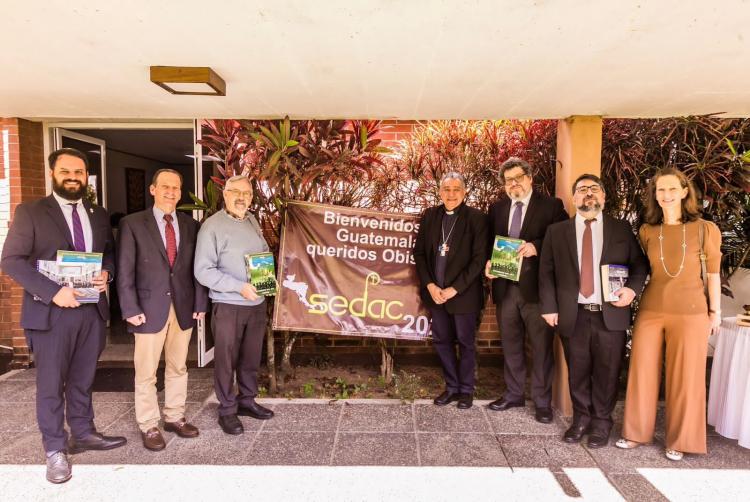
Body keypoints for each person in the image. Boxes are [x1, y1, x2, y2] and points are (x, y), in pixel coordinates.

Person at [0, 148, 126, 483]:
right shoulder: (31, 212)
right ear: (53, 173)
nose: (73, 177)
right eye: (66, 171)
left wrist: (107, 275)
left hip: (90, 312)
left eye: (80, 172)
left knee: (83, 380)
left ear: (87, 176)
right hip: (51, 314)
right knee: (51, 384)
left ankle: (83, 433)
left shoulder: (98, 214)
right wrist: (54, 291)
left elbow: (108, 254)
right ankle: (55, 449)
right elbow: (11, 260)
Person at [616, 168, 722, 461]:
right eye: (661, 190)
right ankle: (636, 432)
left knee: (686, 377)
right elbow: (643, 270)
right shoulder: (648, 231)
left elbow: (713, 275)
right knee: (642, 372)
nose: (666, 195)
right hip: (651, 310)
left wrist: (715, 312)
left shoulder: (705, 229)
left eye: (673, 189)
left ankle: (680, 439)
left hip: (691, 313)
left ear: (685, 191)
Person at [539, 173, 648, 448]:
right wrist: (550, 307)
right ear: (574, 198)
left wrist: (632, 290)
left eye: (595, 189)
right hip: (572, 313)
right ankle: (581, 419)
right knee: (577, 370)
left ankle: (601, 422)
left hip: (609, 314)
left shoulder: (621, 229)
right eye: (582, 189)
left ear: (604, 196)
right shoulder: (557, 231)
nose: (589, 193)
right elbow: (546, 272)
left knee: (607, 371)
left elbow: (640, 265)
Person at [117, 169, 208, 451]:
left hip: (183, 307)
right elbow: (124, 270)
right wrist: (129, 307)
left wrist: (200, 303)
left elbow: (196, 268)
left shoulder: (191, 225)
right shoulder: (132, 223)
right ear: (153, 190)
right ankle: (149, 424)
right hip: (146, 308)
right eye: (165, 186)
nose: (171, 192)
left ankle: (175, 417)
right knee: (146, 371)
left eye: (176, 188)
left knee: (178, 366)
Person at [485, 157, 568, 423]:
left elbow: (564, 239)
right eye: (509, 180)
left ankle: (542, 402)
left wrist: (537, 246)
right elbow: (490, 242)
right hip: (505, 288)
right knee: (510, 345)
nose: (514, 184)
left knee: (542, 348)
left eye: (518, 177)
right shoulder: (497, 208)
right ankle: (513, 394)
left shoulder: (551, 206)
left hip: (537, 291)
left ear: (530, 178)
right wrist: (489, 263)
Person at [194, 175, 274, 435]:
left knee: (251, 357)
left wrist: (266, 281)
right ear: (225, 194)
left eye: (247, 193)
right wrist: (238, 286)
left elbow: (262, 253)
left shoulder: (251, 220)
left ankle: (247, 401)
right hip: (228, 305)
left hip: (256, 303)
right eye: (236, 192)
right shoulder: (211, 226)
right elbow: (203, 271)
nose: (242, 197)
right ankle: (227, 410)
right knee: (226, 360)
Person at [413, 172, 488, 410]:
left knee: (466, 343)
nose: (451, 194)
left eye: (456, 189)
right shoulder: (430, 216)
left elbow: (479, 259)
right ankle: (452, 387)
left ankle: (466, 390)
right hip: (436, 294)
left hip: (463, 295)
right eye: (447, 189)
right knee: (442, 341)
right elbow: (420, 254)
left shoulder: (476, 218)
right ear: (440, 192)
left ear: (464, 192)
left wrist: (455, 289)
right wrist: (431, 285)